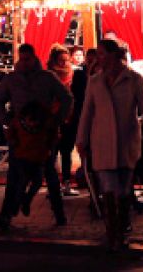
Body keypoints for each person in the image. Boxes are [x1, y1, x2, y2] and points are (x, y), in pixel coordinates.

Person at [76, 39, 143, 252]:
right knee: (108, 188)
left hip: (127, 141)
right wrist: (82, 139)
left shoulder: (133, 79)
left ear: (115, 56)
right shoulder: (95, 81)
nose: (99, 58)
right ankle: (112, 231)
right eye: (98, 54)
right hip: (103, 142)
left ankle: (123, 226)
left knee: (124, 189)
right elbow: (87, 112)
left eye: (103, 54)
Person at [0, 43, 73, 231]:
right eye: (23, 59)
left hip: (42, 134)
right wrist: (7, 123)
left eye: (28, 58)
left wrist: (56, 121)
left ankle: (58, 214)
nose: (25, 62)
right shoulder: (13, 79)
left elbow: (66, 98)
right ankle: (7, 214)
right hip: (21, 134)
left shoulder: (46, 78)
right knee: (17, 176)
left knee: (48, 175)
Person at [47, 44, 79, 196]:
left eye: (66, 60)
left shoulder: (73, 75)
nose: (64, 64)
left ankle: (66, 182)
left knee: (67, 151)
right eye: (61, 61)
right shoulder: (50, 76)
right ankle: (53, 185)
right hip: (53, 118)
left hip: (69, 118)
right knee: (52, 153)